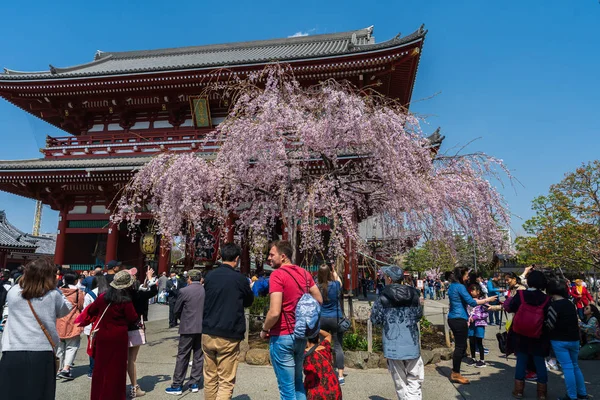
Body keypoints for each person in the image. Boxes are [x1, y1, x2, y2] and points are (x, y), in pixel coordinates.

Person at [0, 258, 72, 400]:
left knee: (11, 393)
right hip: (42, 350)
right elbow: (65, 310)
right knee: (40, 393)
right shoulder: (53, 295)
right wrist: (56, 288)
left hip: (13, 349)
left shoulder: (14, 292)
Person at [261, 240, 323, 400]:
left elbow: (274, 312)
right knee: (297, 383)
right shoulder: (304, 273)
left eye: (271, 254)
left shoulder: (277, 275)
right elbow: (319, 299)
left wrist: (265, 329)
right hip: (300, 335)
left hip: (282, 335)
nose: (268, 258)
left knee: (287, 389)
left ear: (282, 256)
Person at [202, 243, 254, 400]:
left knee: (210, 377)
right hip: (229, 333)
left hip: (208, 331)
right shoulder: (240, 279)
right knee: (226, 381)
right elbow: (248, 301)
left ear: (221, 256)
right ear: (237, 259)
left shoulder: (210, 276)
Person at [78, 270, 139, 400]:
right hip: (118, 336)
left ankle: (98, 395)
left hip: (103, 335)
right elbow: (132, 317)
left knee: (101, 368)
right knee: (116, 368)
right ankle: (114, 396)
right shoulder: (125, 300)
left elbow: (92, 310)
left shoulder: (102, 297)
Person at [371, 266, 424, 400]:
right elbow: (418, 315)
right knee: (415, 377)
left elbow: (375, 319)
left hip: (392, 341)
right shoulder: (414, 293)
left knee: (399, 380)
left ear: (389, 279)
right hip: (411, 340)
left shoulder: (383, 295)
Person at [445, 267, 496, 385]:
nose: (468, 277)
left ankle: (456, 371)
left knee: (460, 347)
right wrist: (487, 299)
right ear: (461, 275)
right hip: (459, 318)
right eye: (466, 275)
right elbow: (472, 302)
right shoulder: (460, 287)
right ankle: (455, 373)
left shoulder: (452, 286)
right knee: (460, 347)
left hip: (453, 318)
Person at [506, 270, 550, 400]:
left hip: (521, 334)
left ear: (529, 281)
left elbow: (511, 308)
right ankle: (541, 394)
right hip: (539, 335)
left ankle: (518, 391)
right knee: (540, 363)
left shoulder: (520, 295)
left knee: (521, 361)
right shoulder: (546, 299)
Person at [546, 279, 589, 400]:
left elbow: (550, 324)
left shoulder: (554, 305)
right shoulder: (570, 304)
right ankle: (582, 393)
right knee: (575, 366)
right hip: (574, 339)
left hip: (559, 340)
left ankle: (572, 396)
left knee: (567, 367)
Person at [165, 269, 206, 395]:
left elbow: (177, 309)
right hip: (202, 326)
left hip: (187, 326)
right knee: (199, 356)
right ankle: (194, 382)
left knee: (183, 355)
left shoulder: (184, 291)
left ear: (189, 279)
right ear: (200, 279)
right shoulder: (205, 291)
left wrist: (181, 318)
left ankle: (177, 384)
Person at [128, 267, 159, 398]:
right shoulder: (139, 295)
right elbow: (153, 291)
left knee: (120, 359)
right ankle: (134, 387)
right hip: (135, 328)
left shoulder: (116, 296)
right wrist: (150, 278)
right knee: (131, 360)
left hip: (119, 328)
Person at [316, 264, 346, 385]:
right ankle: (340, 375)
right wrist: (334, 272)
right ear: (329, 274)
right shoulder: (335, 285)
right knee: (338, 347)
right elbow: (340, 282)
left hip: (322, 318)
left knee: (323, 345)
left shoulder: (317, 287)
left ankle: (324, 372)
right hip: (335, 318)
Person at [55, 271, 85, 380]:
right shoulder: (78, 292)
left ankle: (58, 368)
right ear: (76, 280)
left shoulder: (58, 291)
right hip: (73, 321)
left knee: (59, 347)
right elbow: (81, 306)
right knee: (72, 346)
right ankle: (66, 368)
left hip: (58, 320)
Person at [82, 272, 109, 378]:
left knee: (92, 348)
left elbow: (86, 311)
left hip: (92, 326)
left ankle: (92, 370)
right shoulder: (110, 293)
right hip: (107, 325)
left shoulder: (89, 294)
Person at [303, 330, 342, 400]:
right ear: (318, 340)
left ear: (306, 340)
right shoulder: (326, 347)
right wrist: (316, 329)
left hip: (316, 392)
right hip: (334, 388)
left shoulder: (303, 354)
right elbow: (328, 335)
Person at [465, 284, 488, 368]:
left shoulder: (483, 301)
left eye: (473, 290)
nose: (471, 292)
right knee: (471, 341)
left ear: (478, 291)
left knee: (479, 342)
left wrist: (475, 317)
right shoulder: (469, 301)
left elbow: (485, 313)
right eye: (470, 290)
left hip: (479, 323)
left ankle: (482, 360)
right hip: (471, 324)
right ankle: (473, 358)